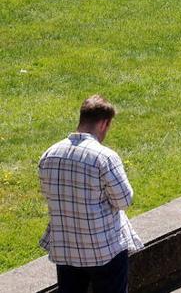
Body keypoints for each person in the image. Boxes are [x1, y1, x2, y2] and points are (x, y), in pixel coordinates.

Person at [39, 95, 142, 293]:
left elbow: (48, 193)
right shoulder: (104, 157)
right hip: (104, 251)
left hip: (65, 249)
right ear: (104, 123)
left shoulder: (49, 154)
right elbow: (124, 200)